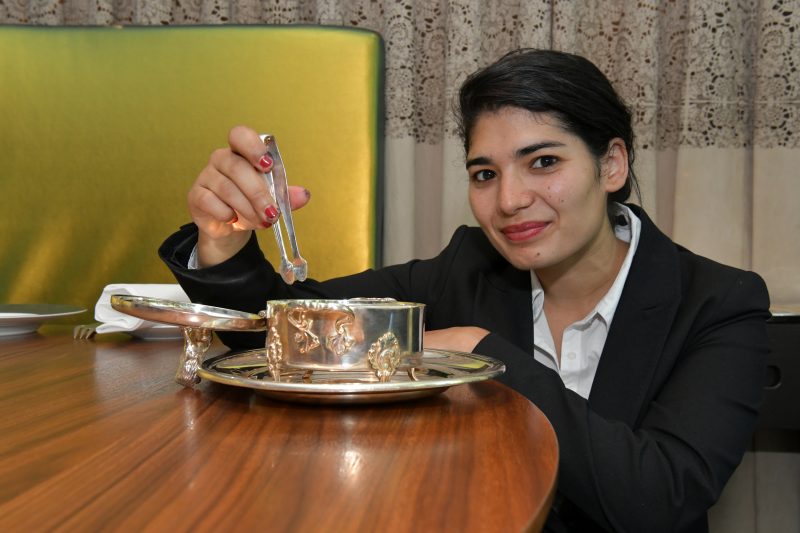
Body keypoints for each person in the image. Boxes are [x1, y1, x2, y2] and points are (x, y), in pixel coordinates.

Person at [159, 49, 770, 532]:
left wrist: (486, 356)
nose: (508, 201)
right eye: (485, 173)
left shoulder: (719, 303)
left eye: (544, 162)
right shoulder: (468, 265)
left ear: (611, 164)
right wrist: (223, 239)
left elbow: (661, 497)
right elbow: (294, 326)